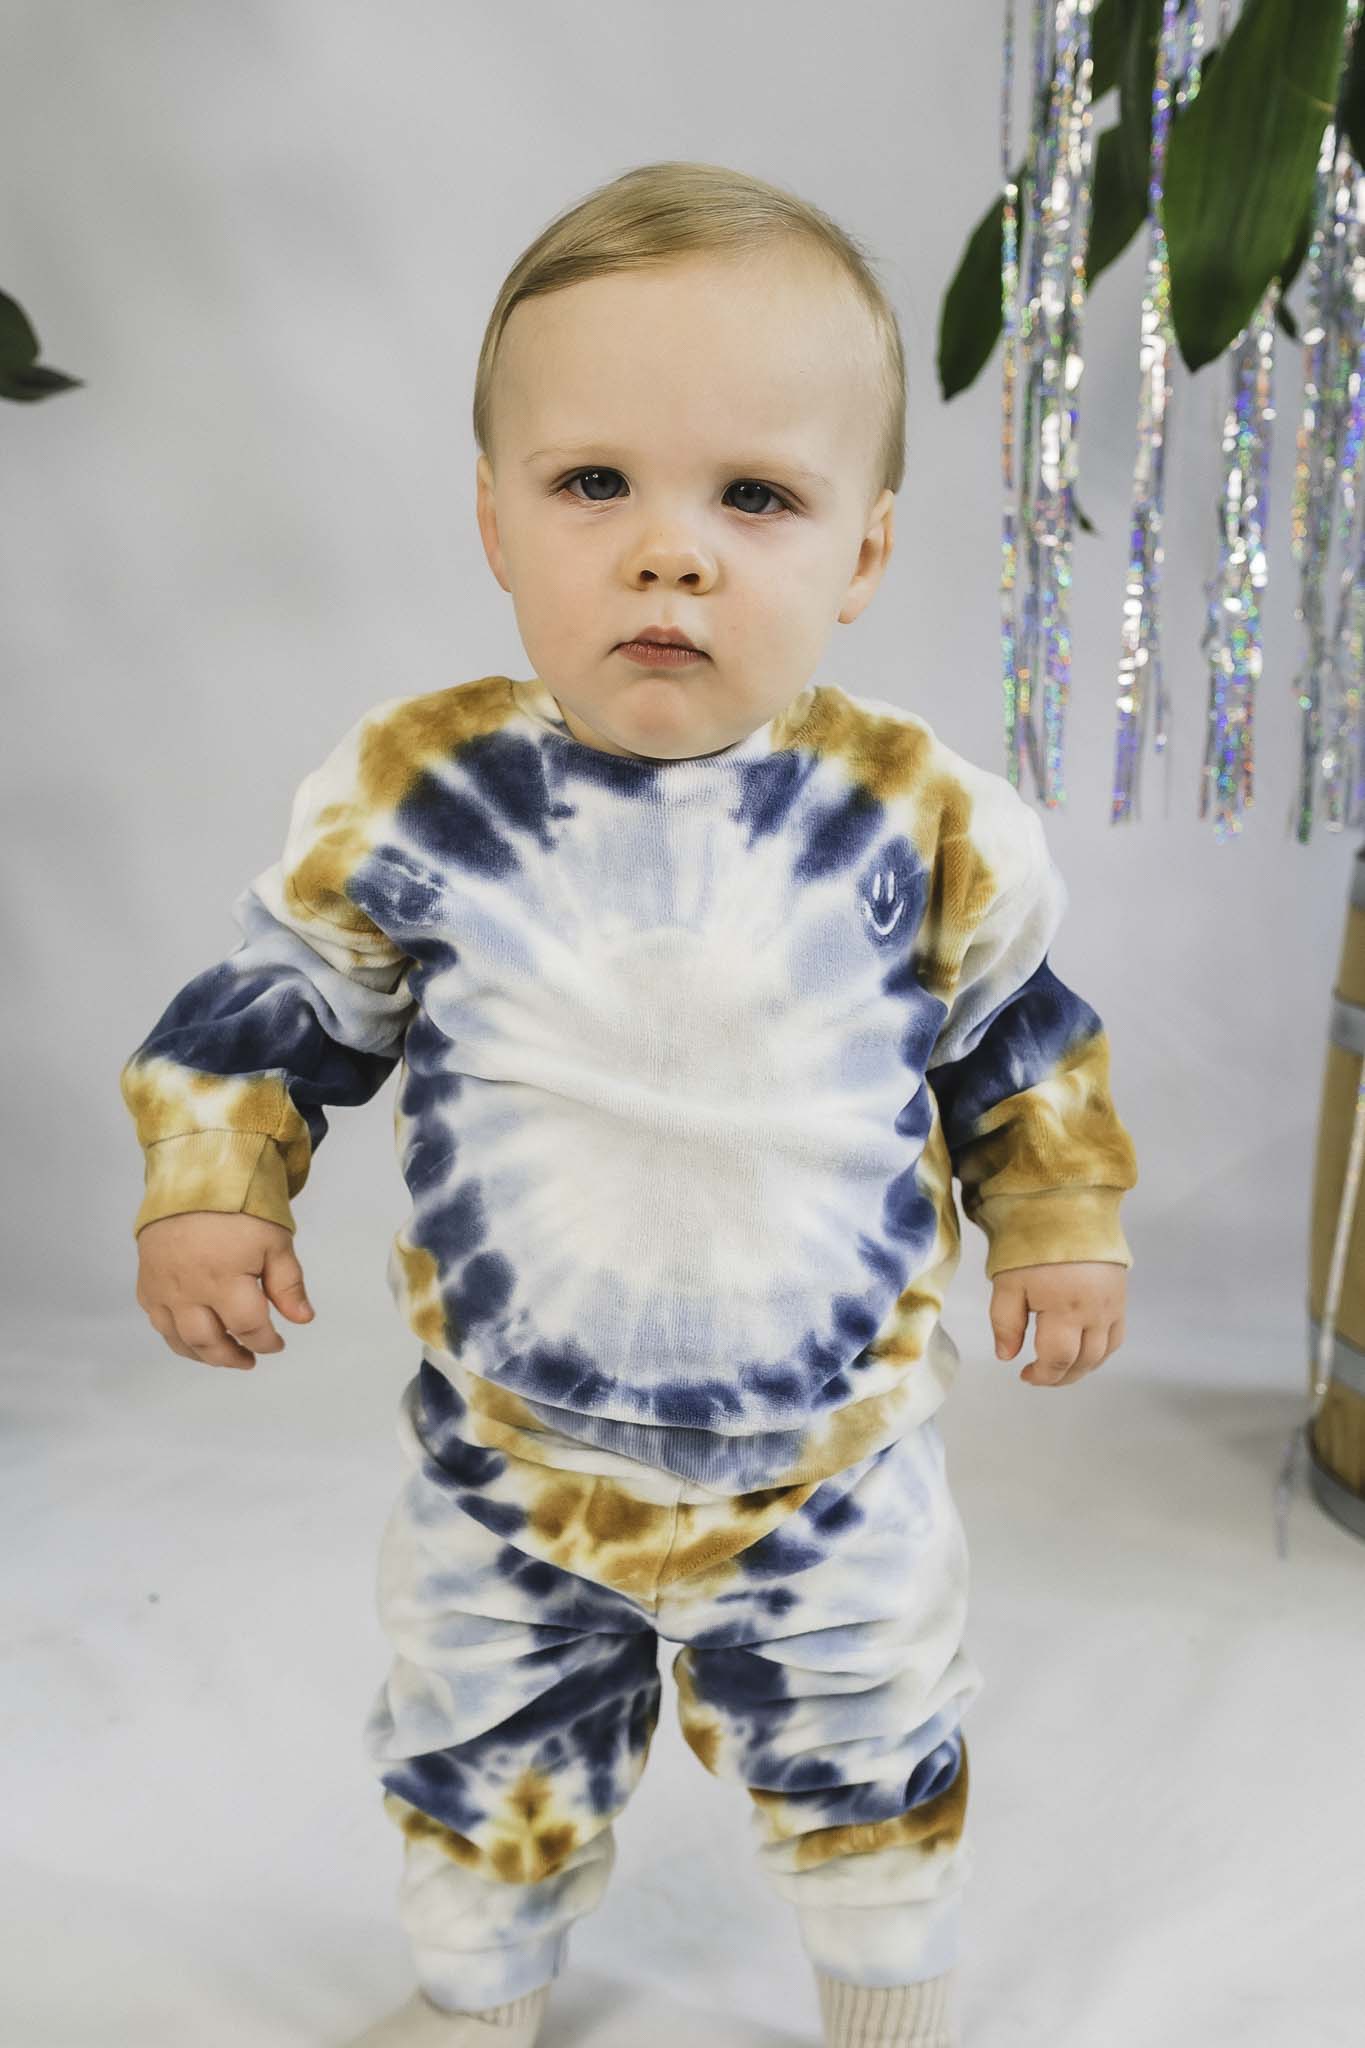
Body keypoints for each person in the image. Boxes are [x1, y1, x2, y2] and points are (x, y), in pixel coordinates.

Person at [120, 160, 1138, 2048]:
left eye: (753, 497)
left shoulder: (924, 822)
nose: (670, 553)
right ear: (494, 521)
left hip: (827, 1471)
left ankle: (888, 2008)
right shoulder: (418, 794)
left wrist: (1060, 1220)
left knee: (872, 1753)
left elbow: (1022, 1045)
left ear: (862, 552)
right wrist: (213, 1183)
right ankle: (474, 2001)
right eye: (594, 483)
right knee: (475, 1757)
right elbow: (280, 1002)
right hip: (507, 1468)